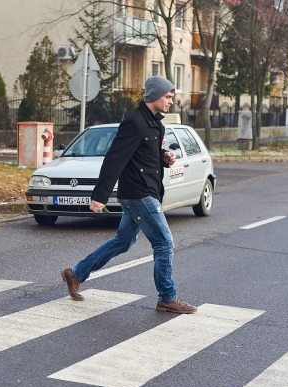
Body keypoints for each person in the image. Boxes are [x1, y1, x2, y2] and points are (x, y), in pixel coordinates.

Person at [60, 75, 197, 314]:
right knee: (164, 243)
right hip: (138, 193)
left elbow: (144, 154)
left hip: (147, 190)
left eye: (171, 97)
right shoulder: (134, 122)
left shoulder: (156, 123)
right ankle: (167, 297)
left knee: (123, 242)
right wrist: (100, 195)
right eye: (167, 97)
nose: (170, 102)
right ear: (154, 95)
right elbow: (115, 159)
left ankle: (76, 273)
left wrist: (164, 157)